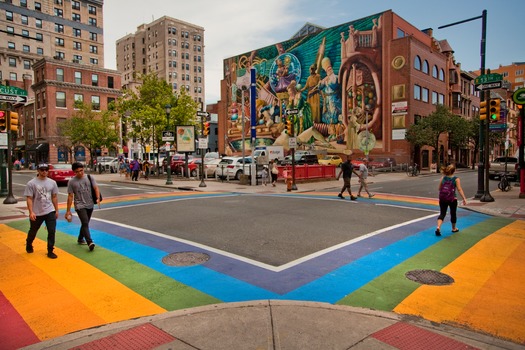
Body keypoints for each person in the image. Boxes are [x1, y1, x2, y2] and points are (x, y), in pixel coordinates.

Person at [24, 163, 59, 259]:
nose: (44, 172)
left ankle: (50, 250)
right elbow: (29, 198)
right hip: (37, 212)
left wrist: (56, 210)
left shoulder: (52, 183)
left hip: (50, 210)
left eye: (46, 170)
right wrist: (31, 212)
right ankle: (29, 243)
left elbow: (54, 197)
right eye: (42, 170)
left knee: (52, 231)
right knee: (33, 230)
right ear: (38, 171)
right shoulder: (31, 183)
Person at [66, 162, 99, 251]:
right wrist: (68, 210)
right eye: (77, 171)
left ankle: (80, 238)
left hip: (90, 203)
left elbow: (96, 188)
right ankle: (90, 242)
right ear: (74, 172)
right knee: (85, 222)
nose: (80, 173)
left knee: (85, 223)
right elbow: (70, 196)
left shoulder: (89, 177)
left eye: (81, 170)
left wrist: (98, 198)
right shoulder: (71, 182)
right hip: (79, 205)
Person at [435, 164, 467, 236]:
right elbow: (459, 189)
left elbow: (439, 189)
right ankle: (454, 228)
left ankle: (438, 227)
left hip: (443, 198)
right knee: (453, 213)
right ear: (454, 171)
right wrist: (464, 198)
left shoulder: (443, 178)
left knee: (442, 213)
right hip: (452, 199)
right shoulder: (456, 179)